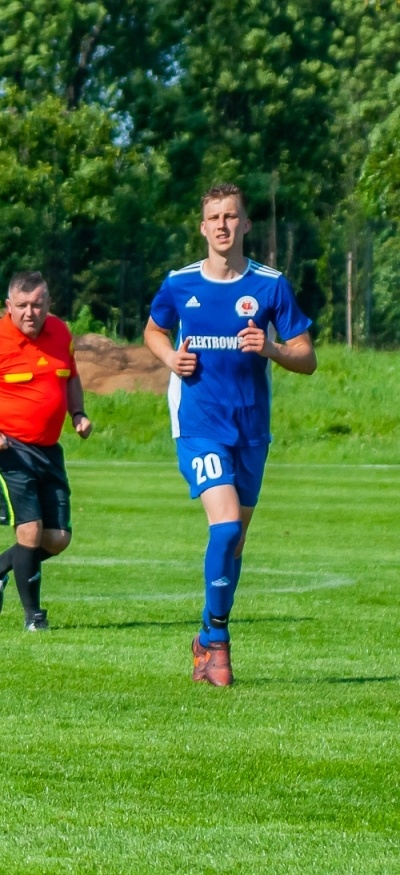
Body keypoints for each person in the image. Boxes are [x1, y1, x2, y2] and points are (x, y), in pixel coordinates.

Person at [144, 183, 315, 687]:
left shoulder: (270, 285)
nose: (222, 225)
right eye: (213, 217)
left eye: (231, 216)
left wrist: (272, 349)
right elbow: (153, 330)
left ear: (245, 225)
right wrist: (169, 357)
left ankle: (204, 633)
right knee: (224, 529)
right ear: (202, 227)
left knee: (235, 543)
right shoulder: (179, 284)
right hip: (198, 426)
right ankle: (217, 641)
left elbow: (307, 356)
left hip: (251, 430)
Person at [0, 272, 93, 631]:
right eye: (22, 306)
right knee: (29, 530)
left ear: (48, 305)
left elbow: (70, 376)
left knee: (57, 539)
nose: (30, 313)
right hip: (8, 447)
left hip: (48, 449)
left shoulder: (60, 333)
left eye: (37, 305)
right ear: (8, 306)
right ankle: (34, 618)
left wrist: (78, 413)